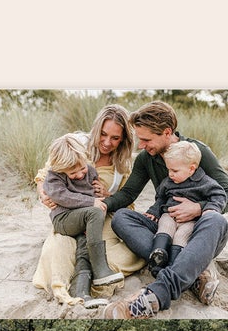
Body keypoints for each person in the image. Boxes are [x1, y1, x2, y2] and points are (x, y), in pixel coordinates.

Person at [102, 102, 228, 319]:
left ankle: (157, 293)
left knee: (216, 220)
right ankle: (192, 272)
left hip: (197, 230)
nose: (140, 145)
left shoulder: (197, 153)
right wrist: (103, 204)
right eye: (139, 138)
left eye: (146, 139)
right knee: (121, 217)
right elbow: (129, 194)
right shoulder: (146, 158)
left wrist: (198, 208)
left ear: (167, 133)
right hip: (166, 227)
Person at [32, 105, 146, 307]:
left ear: (124, 140)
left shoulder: (123, 164)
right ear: (96, 129)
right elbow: (45, 175)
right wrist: (43, 193)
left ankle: (91, 281)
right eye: (103, 134)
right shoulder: (73, 145)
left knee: (129, 253)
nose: (106, 142)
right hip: (70, 217)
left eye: (115, 138)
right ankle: (71, 287)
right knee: (58, 251)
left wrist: (108, 195)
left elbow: (127, 202)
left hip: (100, 222)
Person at [41, 134, 124, 289]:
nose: (79, 175)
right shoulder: (54, 176)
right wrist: (92, 202)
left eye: (82, 169)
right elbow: (61, 196)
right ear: (60, 169)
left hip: (81, 219)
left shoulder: (91, 171)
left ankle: (80, 288)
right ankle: (100, 268)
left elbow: (92, 192)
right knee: (95, 211)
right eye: (72, 174)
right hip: (63, 219)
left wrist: (101, 194)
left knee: (83, 247)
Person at [145, 140, 228, 274]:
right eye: (168, 169)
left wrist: (209, 209)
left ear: (191, 169)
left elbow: (219, 195)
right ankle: (158, 253)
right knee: (165, 225)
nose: (170, 174)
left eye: (174, 170)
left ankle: (174, 263)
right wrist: (153, 211)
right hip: (169, 215)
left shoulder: (205, 182)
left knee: (181, 235)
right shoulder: (168, 182)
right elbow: (161, 198)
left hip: (190, 221)